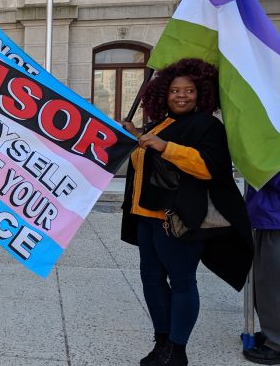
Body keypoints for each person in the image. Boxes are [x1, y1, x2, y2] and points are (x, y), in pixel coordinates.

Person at [120, 58, 253, 366]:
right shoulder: (160, 125)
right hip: (147, 218)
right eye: (175, 90)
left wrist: (165, 147)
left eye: (189, 90)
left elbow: (210, 168)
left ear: (201, 93)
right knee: (151, 280)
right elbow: (146, 163)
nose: (181, 96)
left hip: (177, 221)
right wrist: (135, 134)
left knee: (182, 282)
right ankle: (162, 342)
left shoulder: (208, 125)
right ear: (163, 94)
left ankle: (177, 351)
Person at [243, 172, 280, 364]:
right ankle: (271, 332)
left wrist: (258, 168)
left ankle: (277, 344)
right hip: (269, 218)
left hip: (276, 220)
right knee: (264, 284)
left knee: (273, 287)